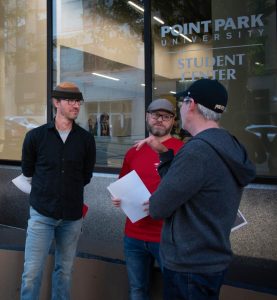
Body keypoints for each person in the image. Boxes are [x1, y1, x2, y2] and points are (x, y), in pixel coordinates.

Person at [135, 79, 256, 300]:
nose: (180, 108)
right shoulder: (229, 144)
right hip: (211, 261)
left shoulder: (197, 151)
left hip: (188, 266)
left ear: (191, 104)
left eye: (182, 102)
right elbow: (191, 187)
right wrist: (165, 154)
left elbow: (158, 207)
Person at [20, 82, 96, 300]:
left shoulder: (85, 140)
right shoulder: (35, 137)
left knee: (64, 272)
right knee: (31, 273)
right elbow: (28, 171)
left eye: (78, 101)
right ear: (56, 102)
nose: (75, 105)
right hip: (41, 215)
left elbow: (85, 176)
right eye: (70, 100)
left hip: (72, 218)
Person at [112, 99, 184, 300]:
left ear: (173, 122)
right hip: (133, 235)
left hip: (166, 237)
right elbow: (121, 184)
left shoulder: (182, 151)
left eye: (166, 116)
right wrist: (118, 199)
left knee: (174, 292)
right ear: (147, 117)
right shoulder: (134, 151)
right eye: (155, 115)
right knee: (137, 291)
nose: (159, 120)